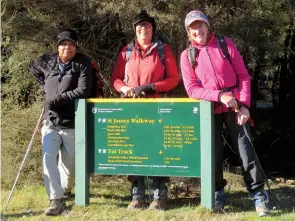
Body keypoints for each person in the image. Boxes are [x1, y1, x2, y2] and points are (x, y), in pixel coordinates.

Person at [180, 10, 270, 216]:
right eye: (192, 27)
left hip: (236, 105)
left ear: (207, 26)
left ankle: (258, 195)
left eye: (200, 25)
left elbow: (244, 77)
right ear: (188, 31)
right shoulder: (187, 55)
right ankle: (217, 193)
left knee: (246, 150)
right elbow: (192, 89)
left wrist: (245, 105)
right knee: (212, 153)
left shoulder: (224, 44)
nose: (197, 30)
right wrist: (218, 95)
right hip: (208, 108)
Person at [110, 10, 179, 210]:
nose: (143, 29)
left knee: (158, 149)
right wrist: (124, 88)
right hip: (132, 108)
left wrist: (151, 87)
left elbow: (174, 79)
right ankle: (137, 194)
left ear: (153, 29)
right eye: (139, 26)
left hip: (157, 107)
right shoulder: (127, 51)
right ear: (135, 30)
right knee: (134, 148)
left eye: (147, 25)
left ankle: (159, 195)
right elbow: (115, 78)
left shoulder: (163, 50)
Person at [30, 28, 93, 216]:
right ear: (58, 47)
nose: (67, 48)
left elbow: (83, 91)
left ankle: (65, 190)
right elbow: (33, 69)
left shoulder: (82, 63)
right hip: (50, 121)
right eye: (63, 44)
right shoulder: (47, 61)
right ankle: (55, 199)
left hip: (72, 121)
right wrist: (44, 87)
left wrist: (54, 98)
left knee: (70, 164)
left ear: (76, 47)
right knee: (48, 157)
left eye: (71, 44)